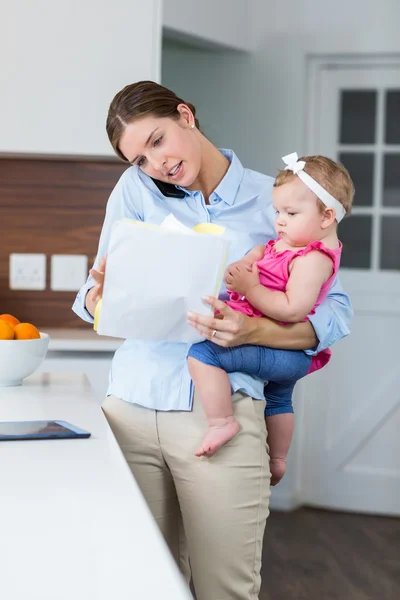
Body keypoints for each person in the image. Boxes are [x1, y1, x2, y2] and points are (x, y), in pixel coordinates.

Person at [72, 81, 352, 600]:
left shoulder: (281, 199)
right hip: (130, 407)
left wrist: (253, 329)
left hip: (222, 415)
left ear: (186, 115)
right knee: (136, 586)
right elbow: (90, 292)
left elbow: (335, 312)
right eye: (139, 158)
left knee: (226, 590)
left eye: (157, 141)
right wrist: (101, 296)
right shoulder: (134, 192)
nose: (155, 163)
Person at [188, 154, 354, 485]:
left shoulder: (314, 261)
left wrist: (250, 288)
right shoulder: (292, 242)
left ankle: (222, 421)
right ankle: (277, 460)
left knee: (203, 354)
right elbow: (264, 251)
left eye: (290, 213)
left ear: (327, 216)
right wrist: (248, 261)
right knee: (278, 399)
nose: (279, 220)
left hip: (285, 351)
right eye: (277, 212)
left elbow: (293, 309)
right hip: (282, 353)